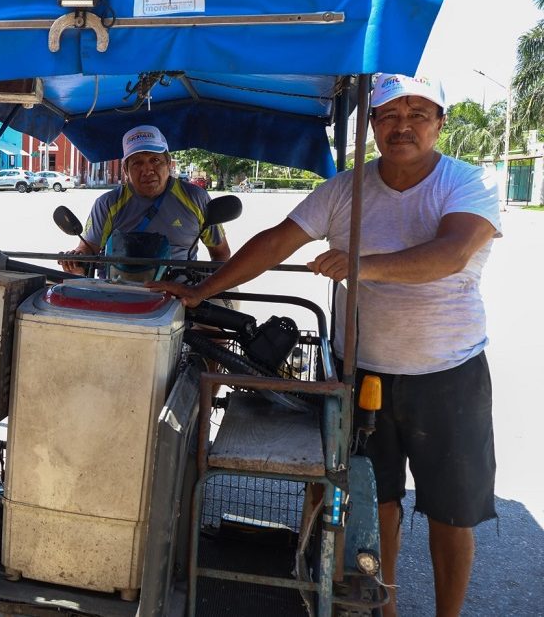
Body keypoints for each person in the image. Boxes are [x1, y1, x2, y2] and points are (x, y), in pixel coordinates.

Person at [149, 73, 501, 617]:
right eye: (388, 115)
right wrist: (202, 290)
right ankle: (385, 609)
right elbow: (276, 241)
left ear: (440, 124)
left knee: (452, 514)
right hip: (361, 373)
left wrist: (362, 265)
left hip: (449, 374)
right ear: (373, 126)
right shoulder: (345, 188)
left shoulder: (466, 182)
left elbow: (451, 254)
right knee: (374, 500)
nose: (401, 126)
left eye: (417, 114)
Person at [59, 124, 231, 276]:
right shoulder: (107, 203)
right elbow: (88, 251)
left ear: (168, 163)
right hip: (118, 292)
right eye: (137, 163)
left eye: (155, 160)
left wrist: (203, 288)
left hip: (181, 295)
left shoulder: (196, 198)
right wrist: (76, 262)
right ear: (126, 170)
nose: (147, 170)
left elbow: (221, 254)